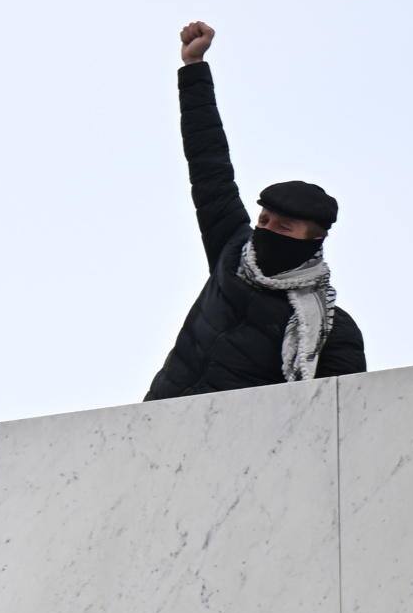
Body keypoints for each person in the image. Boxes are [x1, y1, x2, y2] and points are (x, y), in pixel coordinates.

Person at [143, 21, 365, 401]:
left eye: (283, 227)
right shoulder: (232, 249)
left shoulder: (331, 330)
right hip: (159, 425)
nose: (266, 231)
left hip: (244, 451)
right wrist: (194, 68)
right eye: (263, 221)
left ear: (314, 239)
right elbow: (208, 163)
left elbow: (339, 419)